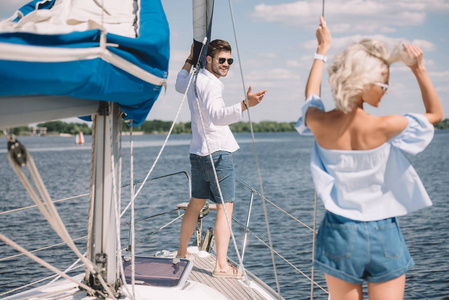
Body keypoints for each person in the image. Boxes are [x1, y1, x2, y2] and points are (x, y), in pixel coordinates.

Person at [296, 17, 443, 299]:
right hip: (383, 233)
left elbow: (311, 97)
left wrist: (322, 49)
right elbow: (435, 115)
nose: (385, 91)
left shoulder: (318, 121)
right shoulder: (385, 126)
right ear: (363, 82)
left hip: (338, 232)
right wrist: (419, 68)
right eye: (383, 85)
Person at [175, 39, 267, 278]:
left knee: (196, 204)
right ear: (209, 60)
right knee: (225, 209)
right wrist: (247, 104)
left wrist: (189, 60)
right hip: (217, 154)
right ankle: (222, 266)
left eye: (229, 60)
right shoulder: (212, 85)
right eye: (221, 60)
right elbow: (217, 116)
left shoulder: (195, 79)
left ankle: (182, 253)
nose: (226, 64)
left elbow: (178, 83)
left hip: (198, 153)